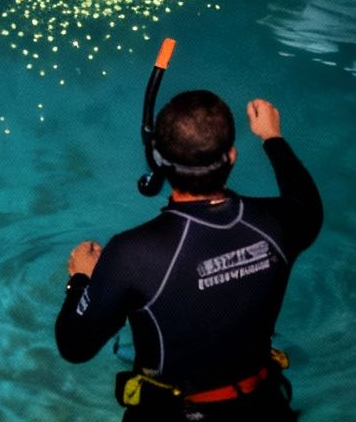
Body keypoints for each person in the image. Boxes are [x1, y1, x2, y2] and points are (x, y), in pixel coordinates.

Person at [56, 91, 323, 420]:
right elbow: (307, 200)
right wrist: (272, 137)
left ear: (158, 159)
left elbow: (74, 346)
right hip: (263, 406)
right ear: (232, 157)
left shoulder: (132, 255)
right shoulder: (279, 224)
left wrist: (82, 279)